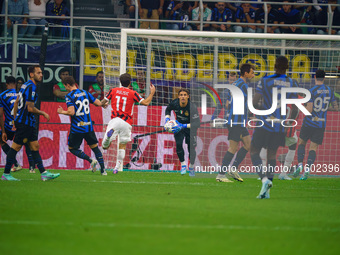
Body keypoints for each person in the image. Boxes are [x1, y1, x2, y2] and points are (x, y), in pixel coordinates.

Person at [1, 65, 60, 181]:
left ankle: (44, 173)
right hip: (25, 123)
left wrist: (14, 119)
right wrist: (43, 113)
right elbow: (30, 108)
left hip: (26, 122)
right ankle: (6, 174)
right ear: (31, 74)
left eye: (41, 73)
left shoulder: (25, 85)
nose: (41, 75)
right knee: (15, 147)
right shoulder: (31, 87)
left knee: (35, 146)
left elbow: (16, 102)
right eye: (38, 73)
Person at [250, 56, 298, 199]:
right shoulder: (291, 82)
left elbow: (255, 101)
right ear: (287, 67)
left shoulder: (265, 80)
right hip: (279, 126)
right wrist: (289, 121)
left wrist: (254, 111)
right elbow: (295, 107)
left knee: (253, 151)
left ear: (274, 65)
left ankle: (264, 180)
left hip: (264, 123)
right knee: (272, 155)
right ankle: (267, 191)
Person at [101, 73, 156, 173]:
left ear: (120, 81)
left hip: (115, 120)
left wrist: (104, 104)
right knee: (122, 145)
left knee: (105, 146)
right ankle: (117, 167)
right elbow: (146, 103)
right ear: (130, 82)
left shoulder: (113, 91)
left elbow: (102, 102)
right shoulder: (133, 93)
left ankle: (108, 138)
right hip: (126, 122)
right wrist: (152, 93)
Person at [57, 76, 107, 175]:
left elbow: (71, 112)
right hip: (88, 126)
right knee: (95, 147)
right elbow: (98, 103)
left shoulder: (69, 96)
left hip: (77, 128)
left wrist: (62, 111)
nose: (65, 88)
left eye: (65, 86)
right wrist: (103, 103)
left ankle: (90, 160)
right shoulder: (85, 92)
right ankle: (103, 170)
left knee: (72, 149)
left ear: (67, 85)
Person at [294, 70, 338, 180]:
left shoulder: (311, 91)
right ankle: (307, 170)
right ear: (324, 78)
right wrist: (325, 109)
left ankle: (300, 165)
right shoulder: (329, 90)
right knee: (313, 148)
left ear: (314, 77)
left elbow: (309, 110)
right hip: (320, 124)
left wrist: (301, 106)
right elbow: (336, 107)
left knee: (301, 143)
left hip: (309, 122)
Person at [215, 64, 255, 183]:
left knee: (248, 144)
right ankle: (221, 175)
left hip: (236, 119)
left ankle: (233, 168)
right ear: (246, 73)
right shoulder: (243, 85)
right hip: (236, 120)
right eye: (252, 73)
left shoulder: (234, 84)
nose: (253, 75)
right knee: (233, 147)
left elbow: (227, 104)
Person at [0, 76, 35, 174]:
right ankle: (32, 167)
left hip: (9, 126)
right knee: (27, 142)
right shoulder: (21, 94)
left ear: (6, 84)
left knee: (2, 141)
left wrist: (3, 131)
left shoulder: (2, 95)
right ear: (15, 84)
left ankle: (15, 164)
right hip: (21, 123)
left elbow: (0, 115)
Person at [164, 88, 200, 176]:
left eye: (185, 95)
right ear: (178, 96)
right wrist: (167, 119)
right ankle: (183, 165)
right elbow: (167, 109)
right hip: (178, 127)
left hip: (189, 128)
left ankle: (191, 166)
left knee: (191, 148)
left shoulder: (192, 107)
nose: (183, 97)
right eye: (181, 95)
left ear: (188, 96)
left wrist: (183, 126)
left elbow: (197, 123)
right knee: (179, 144)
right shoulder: (175, 103)